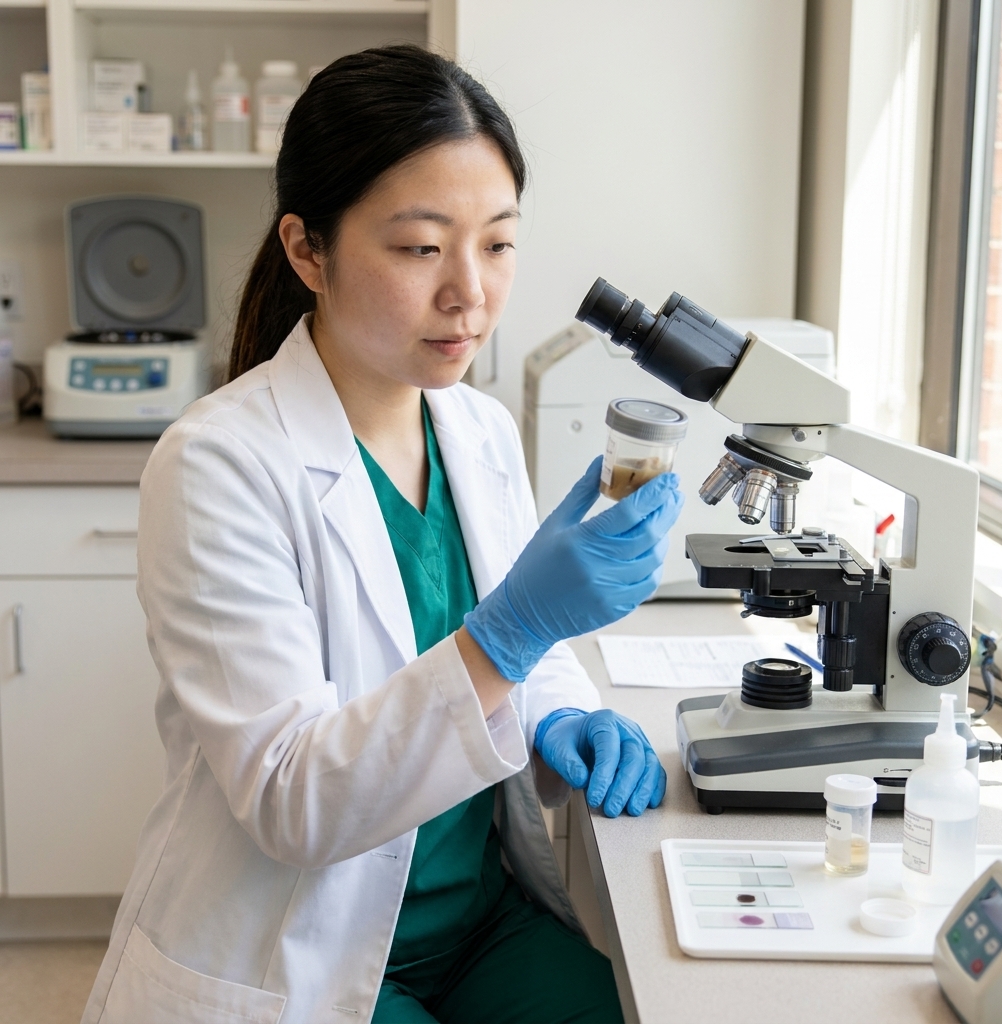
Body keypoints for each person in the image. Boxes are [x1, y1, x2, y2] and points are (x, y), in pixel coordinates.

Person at [82, 45, 682, 1024]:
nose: (470, 293)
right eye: (419, 248)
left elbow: (526, 658)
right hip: (295, 947)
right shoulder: (218, 464)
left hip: (480, 920)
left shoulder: (479, 428)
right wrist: (513, 634)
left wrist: (564, 710)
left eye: (496, 243)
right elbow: (292, 799)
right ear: (306, 249)